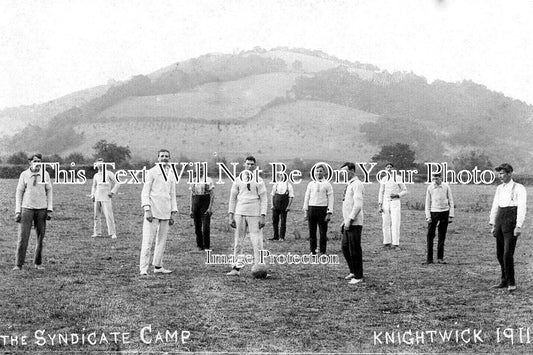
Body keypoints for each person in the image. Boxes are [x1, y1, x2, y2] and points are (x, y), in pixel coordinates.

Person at [227, 156, 268, 276]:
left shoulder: (259, 180)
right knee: (238, 241)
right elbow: (232, 198)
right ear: (244, 165)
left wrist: (263, 216)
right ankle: (235, 268)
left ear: (255, 166)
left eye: (252, 164)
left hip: (254, 214)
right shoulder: (237, 180)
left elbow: (264, 199)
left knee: (257, 242)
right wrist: (231, 216)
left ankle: (260, 269)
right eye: (248, 164)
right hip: (240, 213)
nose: (250, 166)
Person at [139, 149, 178, 276]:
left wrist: (172, 213)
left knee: (161, 241)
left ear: (169, 158)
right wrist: (147, 209)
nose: (164, 158)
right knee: (148, 241)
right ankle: (143, 268)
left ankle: (158, 266)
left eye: (167, 156)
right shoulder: (151, 172)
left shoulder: (171, 174)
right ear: (158, 158)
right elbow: (145, 192)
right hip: (153, 211)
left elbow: (172, 194)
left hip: (166, 212)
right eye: (162, 156)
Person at [489, 163, 527, 292]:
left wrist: (519, 226)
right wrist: (493, 223)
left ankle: (512, 282)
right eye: (499, 173)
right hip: (500, 219)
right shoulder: (499, 188)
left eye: (502, 173)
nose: (500, 176)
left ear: (510, 173)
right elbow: (495, 206)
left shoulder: (519, 188)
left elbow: (522, 208)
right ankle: (504, 280)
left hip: (511, 221)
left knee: (507, 254)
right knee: (499, 254)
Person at [13, 153, 53, 271]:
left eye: (39, 162)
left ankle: (38, 263)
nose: (38, 164)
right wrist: (17, 211)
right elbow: (19, 192)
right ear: (30, 162)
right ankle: (18, 264)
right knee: (23, 236)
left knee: (40, 237)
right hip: (27, 209)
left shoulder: (45, 174)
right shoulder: (24, 175)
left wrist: (49, 209)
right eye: (35, 162)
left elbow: (49, 191)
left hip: (41, 209)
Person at [340, 162, 364, 285]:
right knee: (345, 247)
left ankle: (359, 276)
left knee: (354, 249)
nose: (343, 174)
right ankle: (353, 271)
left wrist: (350, 219)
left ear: (352, 171)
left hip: (355, 223)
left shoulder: (357, 184)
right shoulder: (349, 184)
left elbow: (358, 205)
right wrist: (344, 221)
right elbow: (348, 204)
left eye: (345, 171)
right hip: (348, 221)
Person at [423, 172, 454, 264]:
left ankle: (440, 258)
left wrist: (451, 215)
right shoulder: (430, 187)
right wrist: (428, 216)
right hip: (434, 212)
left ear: (441, 178)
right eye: (433, 178)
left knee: (442, 235)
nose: (435, 180)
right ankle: (429, 259)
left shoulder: (446, 186)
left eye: (437, 178)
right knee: (430, 235)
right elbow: (427, 203)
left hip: (444, 212)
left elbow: (451, 201)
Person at [303, 164, 334, 255]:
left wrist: (329, 212)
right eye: (317, 171)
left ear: (324, 172)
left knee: (322, 232)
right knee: (312, 232)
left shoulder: (327, 184)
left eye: (320, 171)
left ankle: (322, 251)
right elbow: (307, 197)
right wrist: (306, 211)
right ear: (314, 172)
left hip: (322, 210)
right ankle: (313, 251)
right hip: (312, 209)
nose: (318, 173)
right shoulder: (311, 184)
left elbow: (331, 199)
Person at [378, 163, 407, 250]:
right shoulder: (383, 179)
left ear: (393, 169)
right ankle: (387, 243)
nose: (389, 169)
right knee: (385, 223)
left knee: (395, 223)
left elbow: (405, 190)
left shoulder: (398, 178)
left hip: (395, 202)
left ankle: (395, 244)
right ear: (385, 169)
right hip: (385, 202)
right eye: (388, 167)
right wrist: (380, 204)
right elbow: (381, 192)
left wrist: (397, 195)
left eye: (391, 167)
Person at [91, 158, 120, 238]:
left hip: (106, 197)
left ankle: (112, 233)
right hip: (97, 197)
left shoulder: (109, 173)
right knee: (96, 216)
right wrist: (93, 195)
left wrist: (112, 192)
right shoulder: (96, 175)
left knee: (109, 216)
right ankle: (97, 232)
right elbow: (94, 186)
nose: (99, 166)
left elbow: (118, 183)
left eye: (101, 164)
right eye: (98, 164)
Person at [189, 164, 214, 251]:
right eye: (198, 169)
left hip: (205, 202)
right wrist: (191, 209)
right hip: (196, 202)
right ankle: (199, 245)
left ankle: (206, 246)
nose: (200, 171)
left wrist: (210, 208)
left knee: (206, 226)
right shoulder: (194, 180)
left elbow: (212, 195)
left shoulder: (208, 180)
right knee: (197, 225)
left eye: (201, 169)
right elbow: (192, 195)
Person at [269, 174, 294, 241]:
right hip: (276, 204)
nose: (282, 177)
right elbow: (272, 195)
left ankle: (282, 237)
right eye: (280, 175)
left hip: (284, 205)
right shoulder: (276, 184)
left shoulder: (288, 185)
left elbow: (291, 196)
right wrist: (272, 205)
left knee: (283, 221)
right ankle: (275, 236)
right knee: (275, 221)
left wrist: (288, 206)